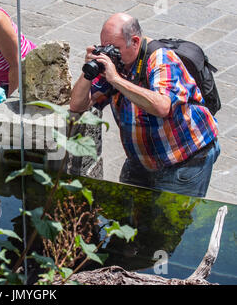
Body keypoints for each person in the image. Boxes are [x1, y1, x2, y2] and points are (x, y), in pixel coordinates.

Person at [69, 13, 220, 198]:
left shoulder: (162, 59)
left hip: (184, 161)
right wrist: (88, 70)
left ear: (135, 41)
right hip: (142, 162)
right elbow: (77, 105)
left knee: (171, 224)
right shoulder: (114, 62)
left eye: (115, 48)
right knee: (128, 221)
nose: (110, 54)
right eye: (104, 46)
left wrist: (116, 80)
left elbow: (162, 107)